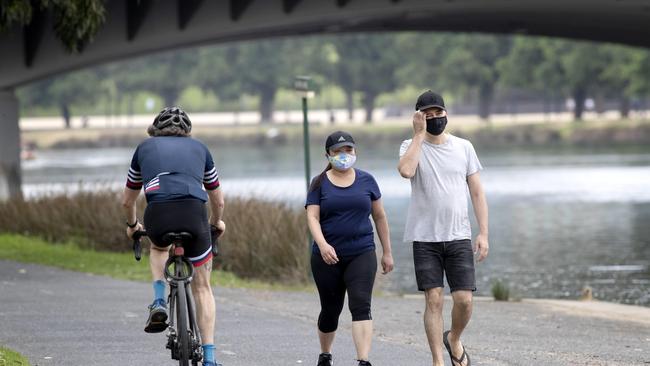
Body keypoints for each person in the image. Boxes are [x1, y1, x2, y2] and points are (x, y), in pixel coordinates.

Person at [122, 107, 226, 366]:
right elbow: (218, 198)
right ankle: (210, 359)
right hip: (194, 212)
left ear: (154, 130)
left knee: (158, 248)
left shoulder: (144, 148)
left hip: (159, 213)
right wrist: (216, 223)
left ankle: (158, 300)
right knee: (203, 287)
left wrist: (133, 225)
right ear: (188, 132)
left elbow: (127, 200)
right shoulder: (200, 148)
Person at [397, 91, 489, 366]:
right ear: (419, 117)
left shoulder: (464, 147)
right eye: (428, 114)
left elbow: (477, 193)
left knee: (464, 300)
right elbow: (406, 171)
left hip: (458, 235)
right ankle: (438, 360)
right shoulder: (409, 145)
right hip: (425, 237)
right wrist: (418, 136)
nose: (435, 118)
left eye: (439, 113)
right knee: (434, 299)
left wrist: (483, 232)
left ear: (446, 114)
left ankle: (454, 338)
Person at [305, 131, 394, 366]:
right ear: (328, 155)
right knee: (330, 310)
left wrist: (387, 251)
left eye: (348, 150)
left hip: (362, 252)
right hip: (327, 257)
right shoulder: (319, 183)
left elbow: (380, 217)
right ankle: (326, 354)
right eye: (338, 152)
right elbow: (312, 217)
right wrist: (323, 245)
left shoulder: (367, 181)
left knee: (361, 304)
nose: (344, 155)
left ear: (355, 152)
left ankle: (363, 360)